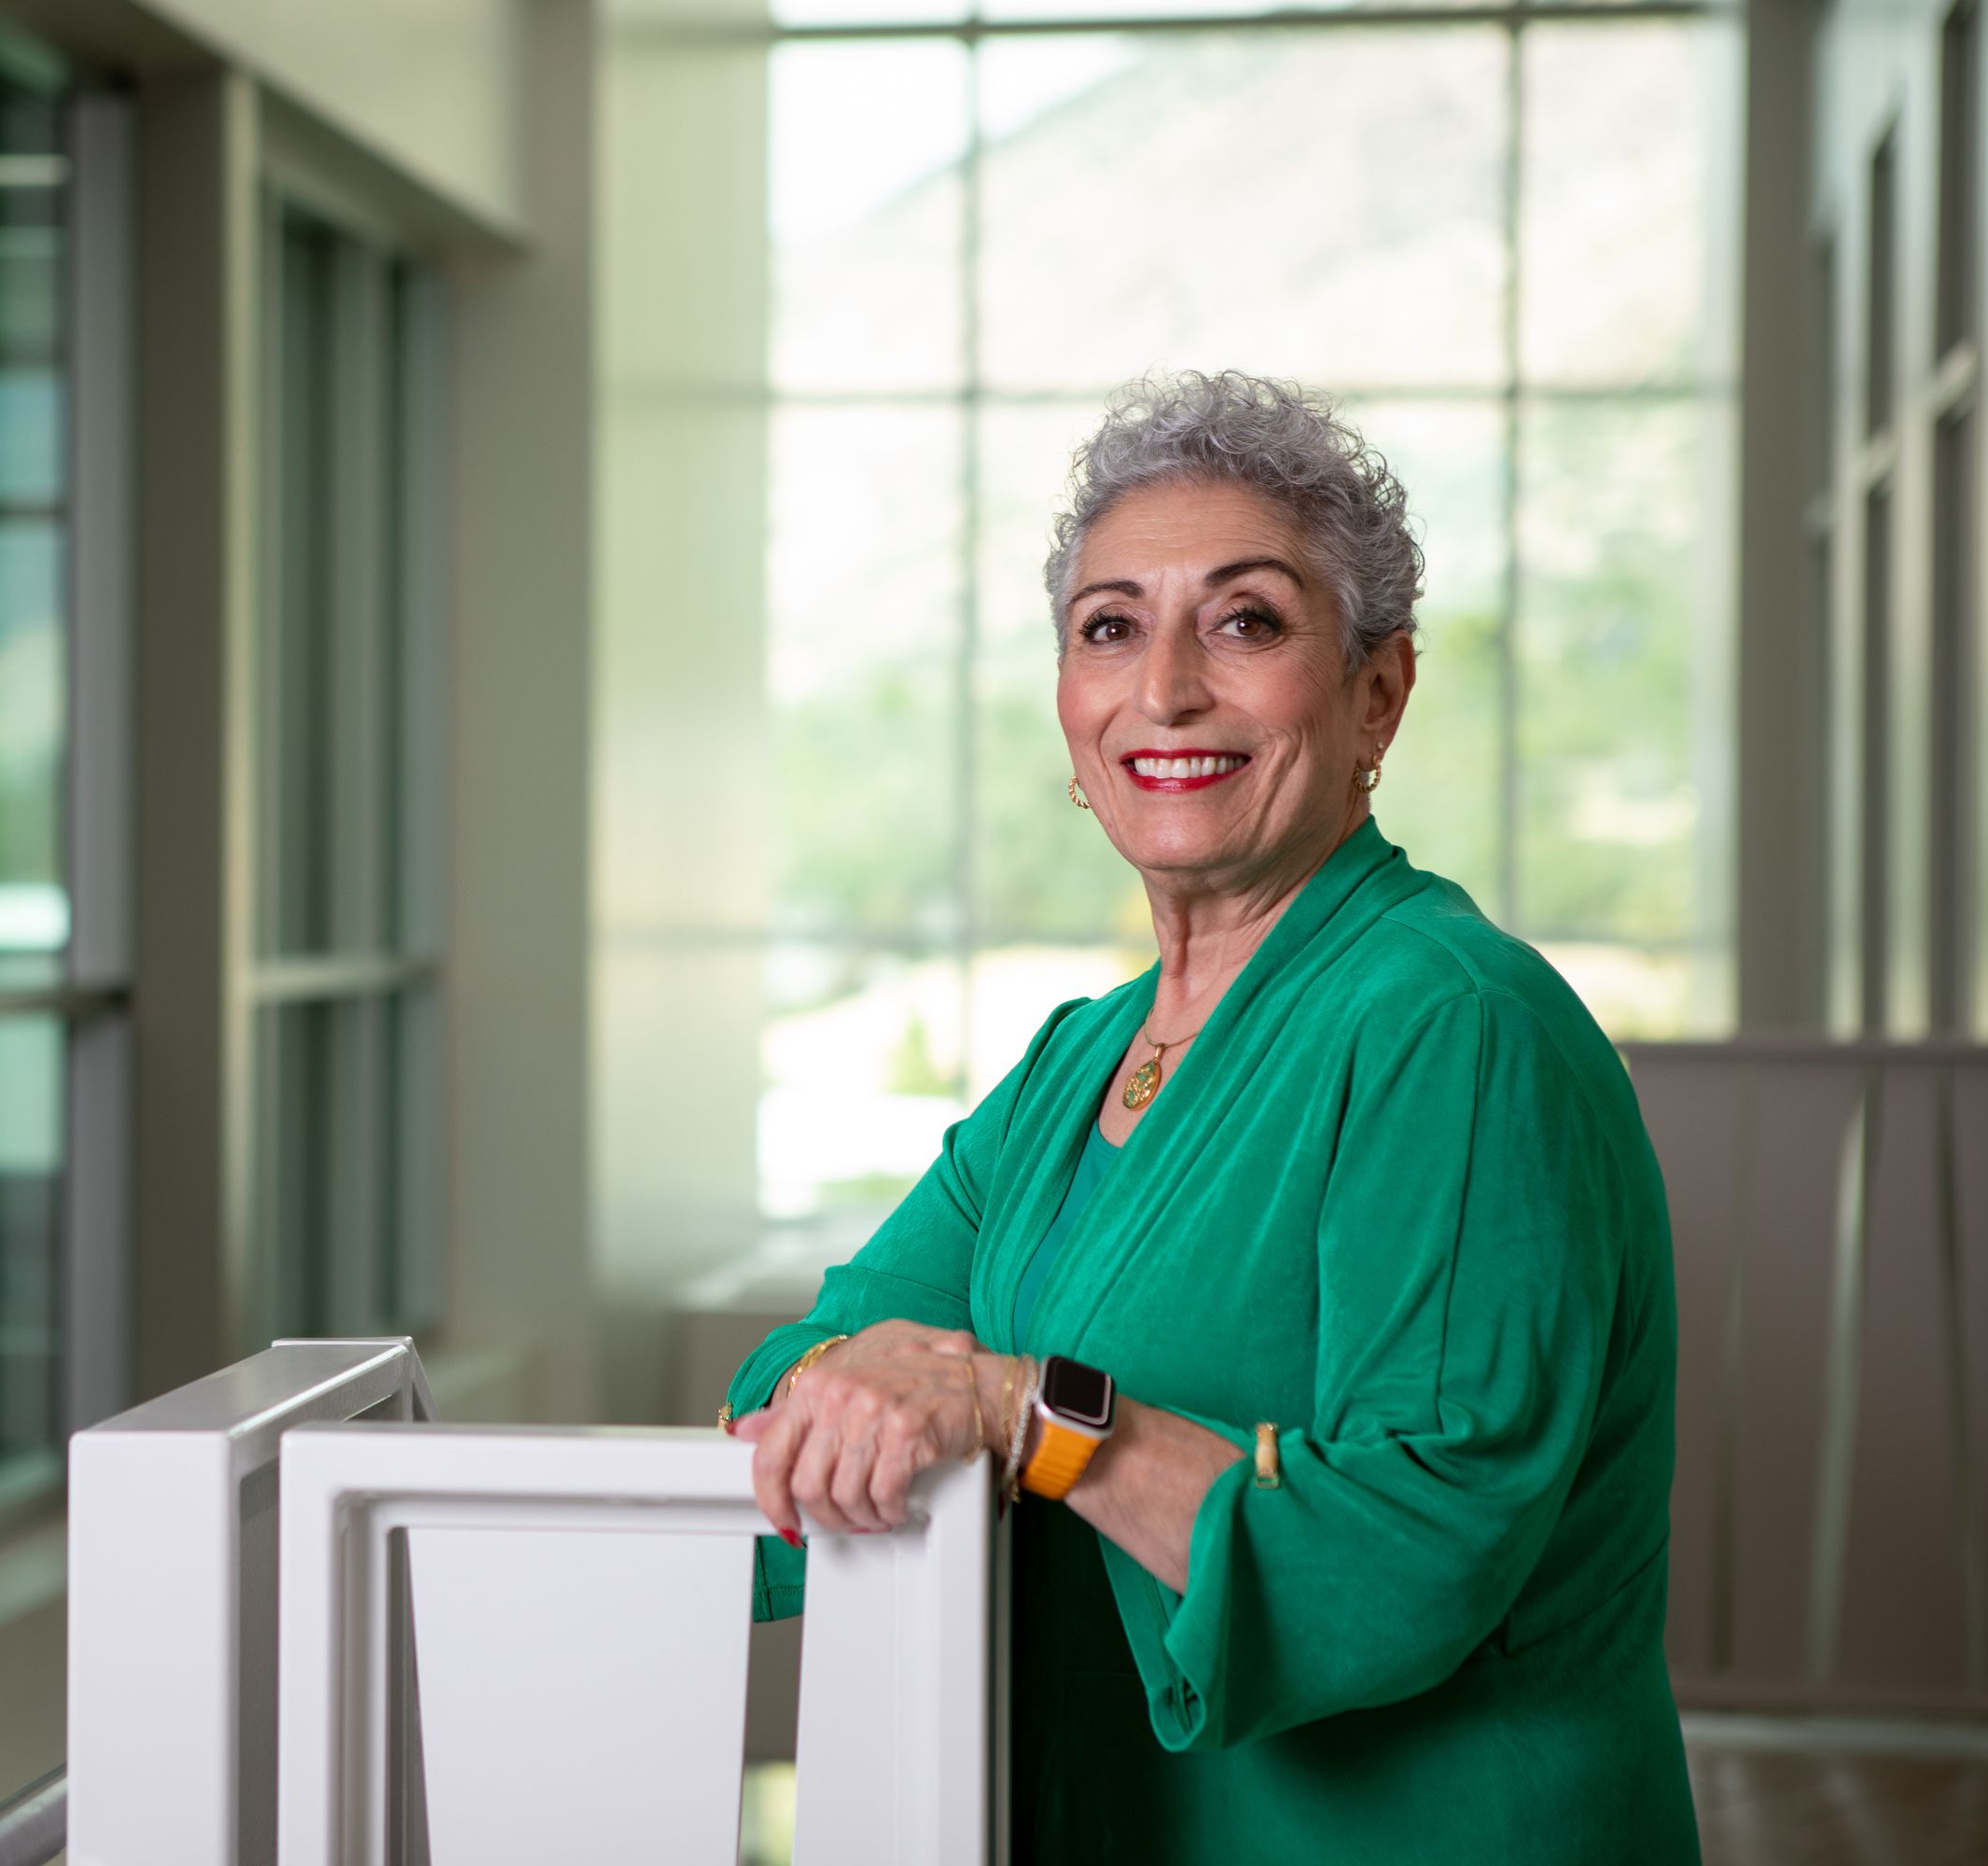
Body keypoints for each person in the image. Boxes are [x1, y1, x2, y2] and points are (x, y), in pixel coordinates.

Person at [726, 370, 1700, 1862]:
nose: (1166, 689)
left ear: (1378, 693)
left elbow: (1404, 1560)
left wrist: (1027, 1417)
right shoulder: (1079, 1063)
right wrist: (855, 1394)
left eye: (1246, 622)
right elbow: (816, 1365)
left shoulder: (1456, 1028)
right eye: (1110, 627)